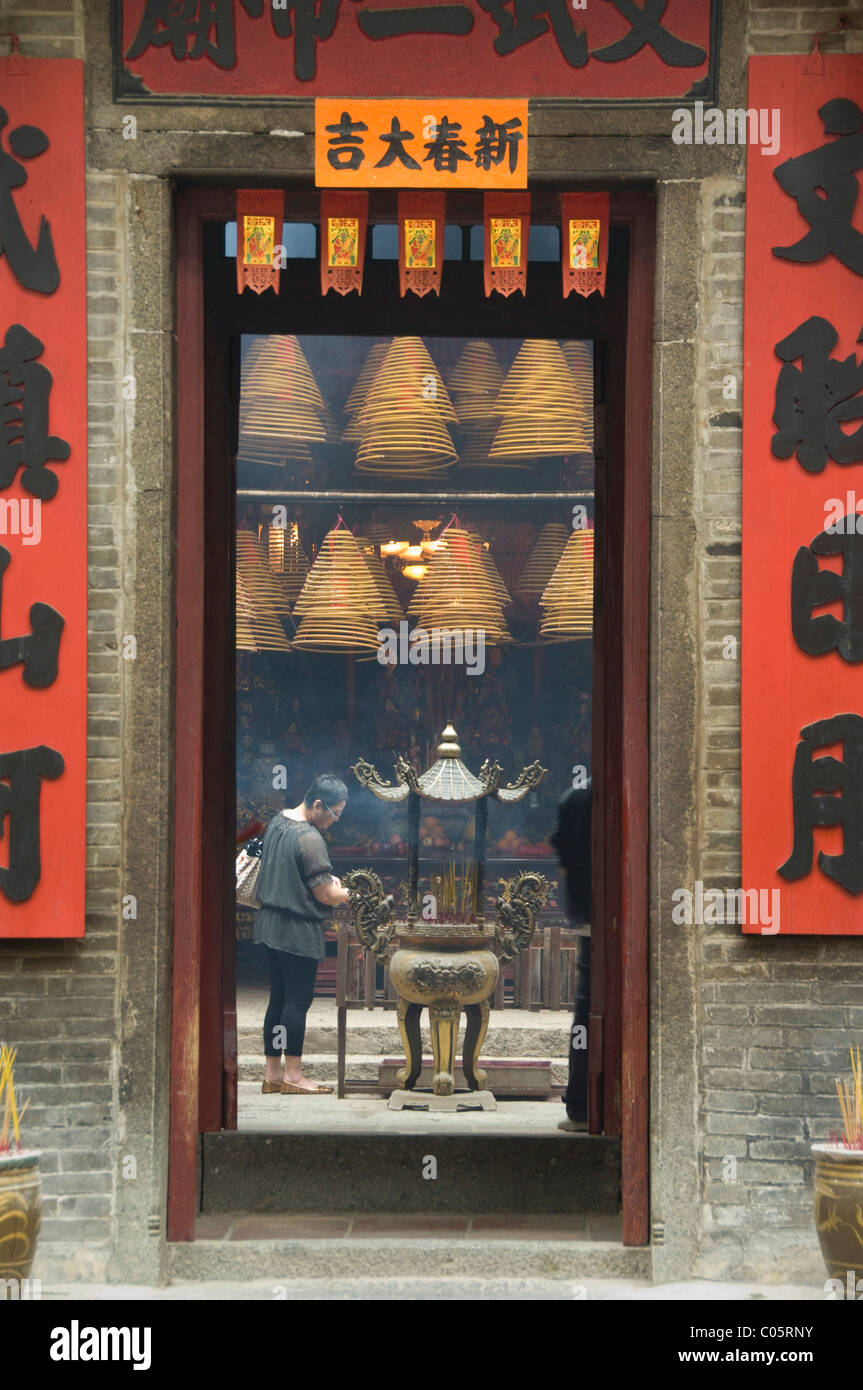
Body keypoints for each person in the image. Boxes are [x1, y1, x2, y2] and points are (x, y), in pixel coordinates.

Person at [254, 774, 351, 1095]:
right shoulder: (309, 839)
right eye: (334, 813)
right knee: (297, 1001)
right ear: (318, 805)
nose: (334, 821)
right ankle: (294, 1077)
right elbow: (325, 894)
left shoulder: (277, 823)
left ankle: (272, 1073)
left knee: (278, 999)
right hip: (296, 931)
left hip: (269, 925)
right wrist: (350, 893)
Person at [548, 778, 592, 1130]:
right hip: (618, 917)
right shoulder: (610, 793)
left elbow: (563, 857)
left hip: (587, 918)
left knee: (586, 1009)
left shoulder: (572, 798)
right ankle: (583, 1105)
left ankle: (580, 1105)